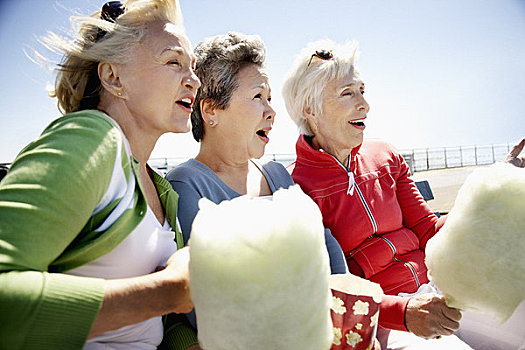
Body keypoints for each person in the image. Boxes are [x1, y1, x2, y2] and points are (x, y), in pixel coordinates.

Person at [0, 1, 202, 349]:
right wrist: (166, 292)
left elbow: (157, 324)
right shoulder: (91, 137)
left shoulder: (161, 187)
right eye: (173, 62)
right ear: (113, 77)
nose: (195, 80)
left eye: (194, 67)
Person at [282, 39, 473, 349]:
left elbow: (427, 229)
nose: (364, 105)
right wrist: (405, 313)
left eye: (362, 91)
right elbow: (322, 287)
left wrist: (483, 206)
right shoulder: (293, 188)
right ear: (310, 109)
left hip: (442, 287)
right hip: (385, 319)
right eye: (347, 93)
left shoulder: (385, 155)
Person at [165, 32, 348, 329]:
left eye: (270, 99)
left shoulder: (277, 175)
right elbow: (206, 304)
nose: (272, 112)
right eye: (257, 97)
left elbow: (327, 250)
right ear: (211, 110)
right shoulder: (187, 186)